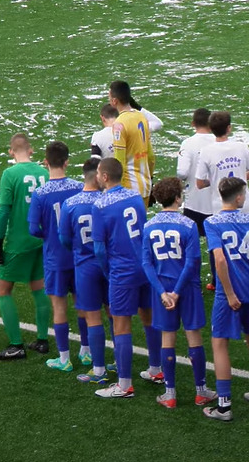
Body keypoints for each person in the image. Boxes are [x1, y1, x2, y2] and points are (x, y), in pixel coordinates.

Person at [142, 177, 217, 409]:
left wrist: (163, 292)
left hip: (162, 289)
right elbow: (193, 261)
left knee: (168, 339)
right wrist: (177, 291)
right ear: (177, 198)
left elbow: (146, 263)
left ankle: (170, 393)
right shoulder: (188, 225)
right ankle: (201, 391)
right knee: (193, 336)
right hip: (188, 288)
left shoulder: (148, 226)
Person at [91, 158, 161, 398]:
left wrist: (107, 272)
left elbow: (99, 249)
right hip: (144, 266)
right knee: (148, 317)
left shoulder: (99, 205)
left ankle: (124, 385)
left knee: (121, 324)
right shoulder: (135, 197)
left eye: (99, 173)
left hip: (121, 270)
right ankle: (156, 369)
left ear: (105, 176)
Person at [202, 177, 249, 421]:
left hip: (228, 293)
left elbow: (219, 260)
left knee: (219, 343)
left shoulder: (212, 223)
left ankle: (224, 405)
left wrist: (229, 293)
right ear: (239, 197)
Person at [0, 133, 51, 360]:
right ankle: (43, 340)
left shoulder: (10, 174)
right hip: (41, 240)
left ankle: (16, 345)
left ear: (11, 152)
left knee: (2, 290)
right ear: (31, 150)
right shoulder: (44, 172)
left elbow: (5, 210)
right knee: (39, 287)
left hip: (18, 242)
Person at [28, 141, 87, 372]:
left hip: (55, 258)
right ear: (67, 161)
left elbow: (33, 229)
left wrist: (50, 235)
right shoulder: (79, 187)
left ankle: (64, 358)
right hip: (79, 256)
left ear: (46, 161)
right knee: (82, 304)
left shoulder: (41, 193)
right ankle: (86, 351)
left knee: (59, 306)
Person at [59, 158, 113, 384]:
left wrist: (81, 251)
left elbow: (64, 239)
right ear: (100, 176)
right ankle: (120, 361)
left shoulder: (70, 204)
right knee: (114, 315)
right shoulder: (109, 200)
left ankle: (98, 370)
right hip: (110, 264)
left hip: (85, 266)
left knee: (93, 317)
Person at [177, 108, 218, 291]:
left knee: (190, 243)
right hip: (217, 202)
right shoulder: (220, 142)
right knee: (215, 243)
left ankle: (192, 279)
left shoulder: (188, 143)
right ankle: (217, 280)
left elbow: (182, 171)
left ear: (193, 123)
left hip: (194, 201)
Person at [196, 111, 249, 218]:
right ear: (229, 128)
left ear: (211, 129)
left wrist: (215, 180)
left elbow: (200, 183)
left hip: (221, 208)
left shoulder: (206, 151)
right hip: (244, 205)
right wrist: (239, 178)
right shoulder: (242, 147)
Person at [109, 80, 155, 205]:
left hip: (129, 188)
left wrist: (116, 190)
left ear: (114, 101)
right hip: (146, 185)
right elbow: (151, 156)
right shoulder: (142, 117)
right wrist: (151, 178)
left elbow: (119, 162)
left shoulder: (119, 124)